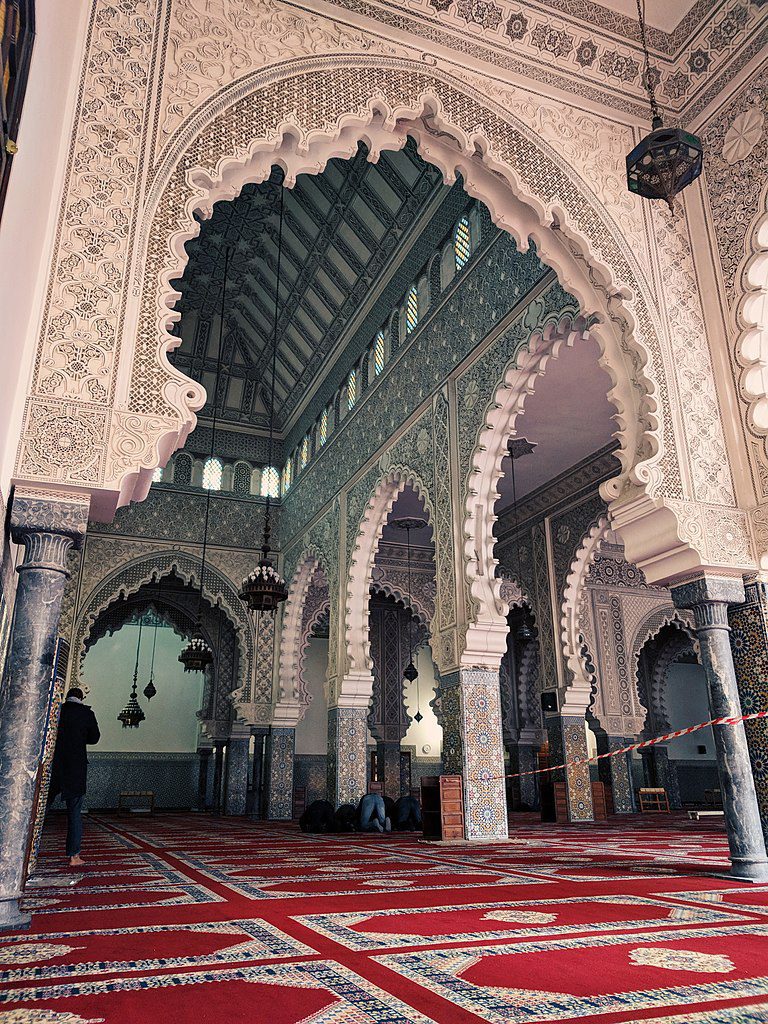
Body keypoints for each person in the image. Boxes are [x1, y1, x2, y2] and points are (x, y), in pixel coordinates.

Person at [49, 688, 100, 867]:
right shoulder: (86, 713)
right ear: (81, 697)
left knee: (41, 810)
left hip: (53, 765)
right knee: (74, 814)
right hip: (75, 768)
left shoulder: (57, 710)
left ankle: (26, 849)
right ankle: (74, 856)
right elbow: (94, 738)